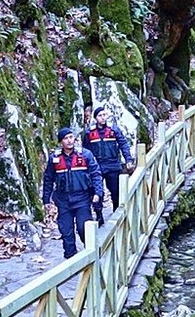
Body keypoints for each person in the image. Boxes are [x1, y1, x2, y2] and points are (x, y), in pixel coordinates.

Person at [42, 127, 103, 259]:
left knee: (83, 228)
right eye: (65, 138)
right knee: (66, 232)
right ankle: (71, 261)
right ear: (60, 142)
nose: (69, 141)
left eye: (71, 137)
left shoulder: (85, 155)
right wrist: (46, 199)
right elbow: (48, 179)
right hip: (63, 200)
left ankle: (93, 255)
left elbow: (96, 174)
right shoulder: (54, 159)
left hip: (82, 199)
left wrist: (98, 192)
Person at [83, 107, 135, 226]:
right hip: (97, 166)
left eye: (104, 115)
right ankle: (99, 214)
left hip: (112, 165)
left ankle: (116, 212)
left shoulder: (113, 130)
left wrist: (128, 159)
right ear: (95, 118)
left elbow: (123, 144)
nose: (103, 117)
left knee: (115, 190)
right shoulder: (89, 133)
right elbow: (85, 152)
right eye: (100, 115)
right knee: (97, 191)